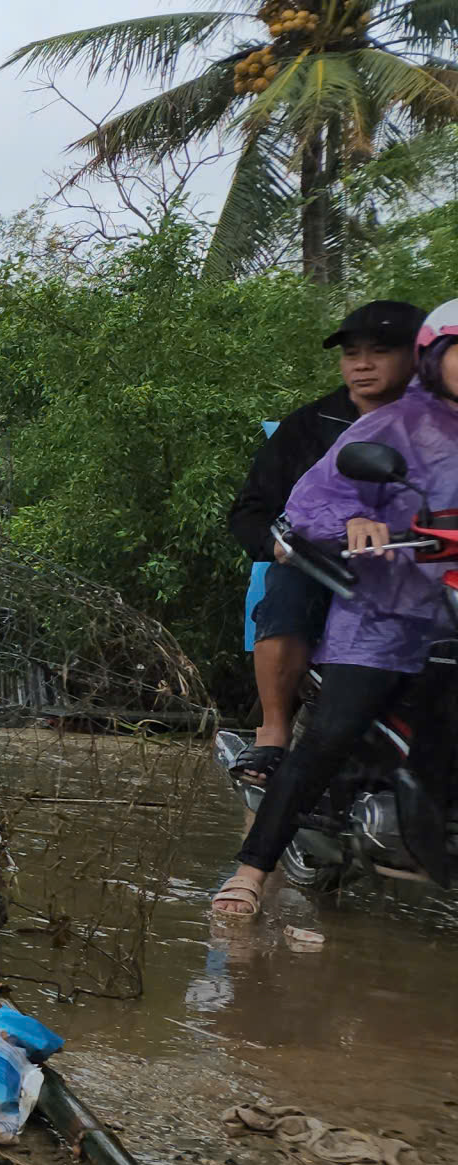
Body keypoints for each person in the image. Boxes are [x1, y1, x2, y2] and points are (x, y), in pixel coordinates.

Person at [213, 298, 458, 916]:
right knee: (331, 733)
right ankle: (250, 873)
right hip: (387, 611)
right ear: (434, 358)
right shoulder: (388, 428)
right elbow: (306, 506)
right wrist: (356, 520)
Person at [224, 300, 423, 785]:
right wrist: (280, 546)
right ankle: (273, 732)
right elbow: (250, 512)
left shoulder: (438, 424)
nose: (361, 364)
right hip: (321, 565)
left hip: (416, 567)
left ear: (420, 357)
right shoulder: (309, 426)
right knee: (290, 594)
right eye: (351, 353)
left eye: (379, 352)